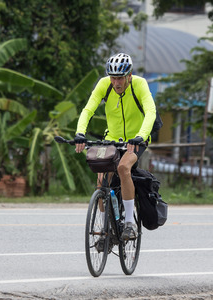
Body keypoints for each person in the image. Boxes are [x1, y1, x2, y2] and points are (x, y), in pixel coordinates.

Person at [74, 53, 157, 240]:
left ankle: (129, 223)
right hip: (111, 139)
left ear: (129, 75)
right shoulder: (104, 85)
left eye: (120, 78)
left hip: (137, 139)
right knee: (101, 180)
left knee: (123, 167)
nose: (116, 82)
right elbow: (88, 109)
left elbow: (150, 112)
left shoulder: (140, 84)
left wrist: (140, 136)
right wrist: (80, 133)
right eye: (113, 77)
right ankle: (105, 230)